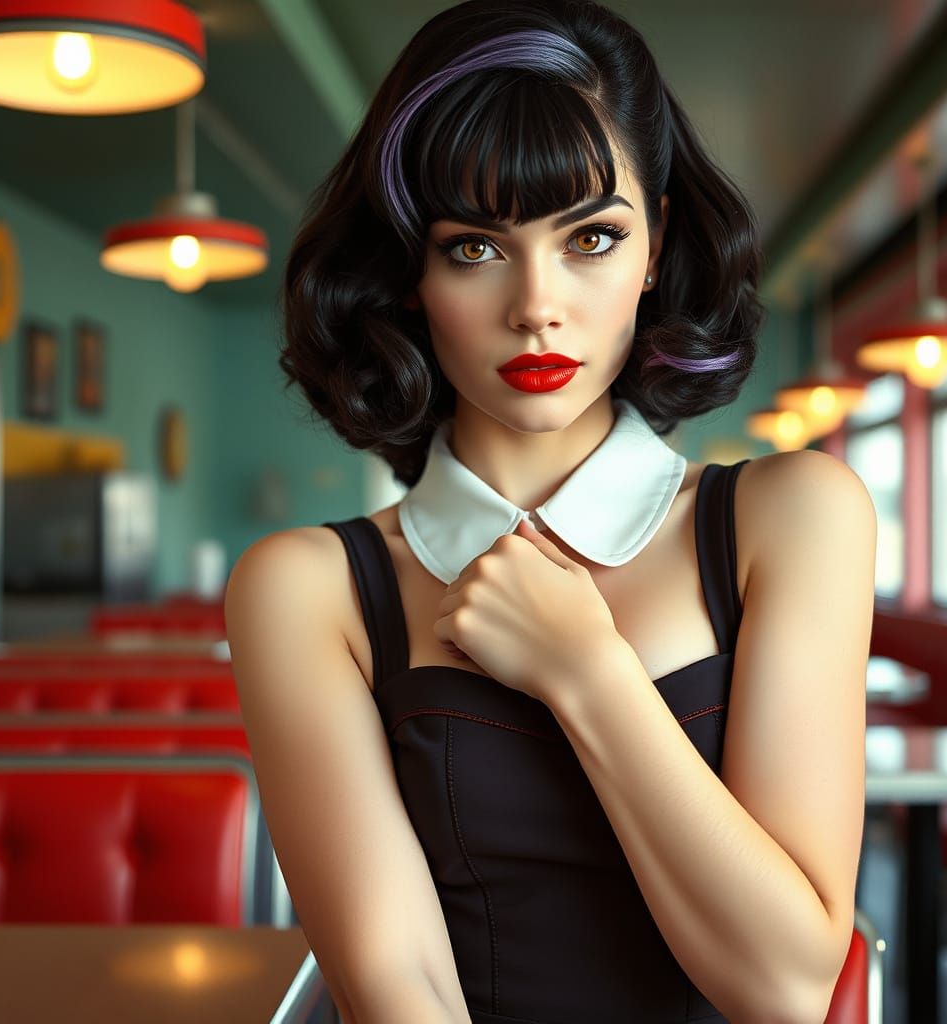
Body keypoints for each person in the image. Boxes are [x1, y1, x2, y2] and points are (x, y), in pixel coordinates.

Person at [224, 1, 877, 1021]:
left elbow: (787, 987)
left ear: (655, 246)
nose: (536, 302)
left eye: (592, 237)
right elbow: (401, 991)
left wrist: (586, 669)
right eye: (474, 248)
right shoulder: (306, 588)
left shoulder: (792, 515)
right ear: (409, 273)